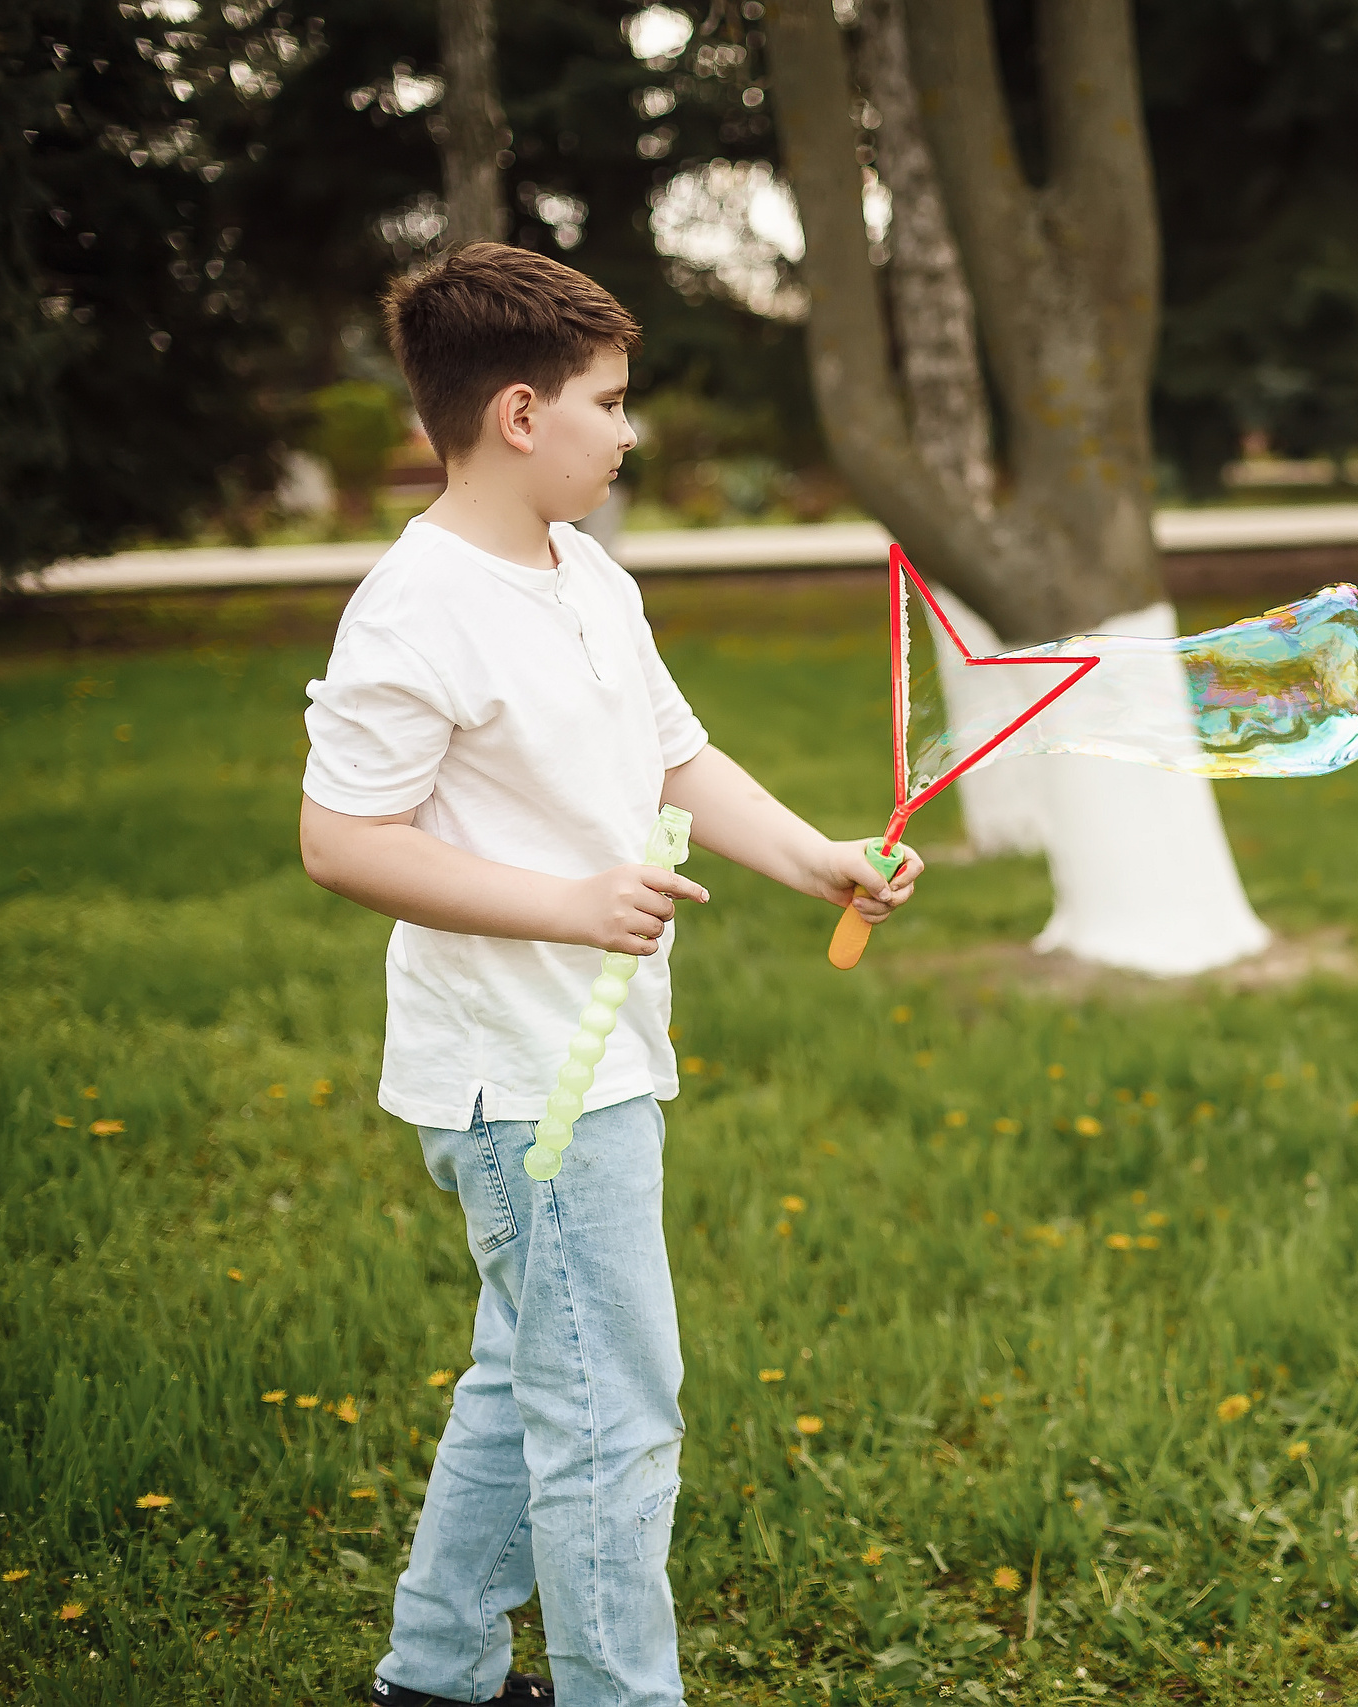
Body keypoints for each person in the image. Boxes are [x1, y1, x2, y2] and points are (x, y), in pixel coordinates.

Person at [298, 242, 921, 1707]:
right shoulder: (416, 608)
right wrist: (569, 905)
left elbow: (673, 754)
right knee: (611, 1418)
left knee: (531, 1371)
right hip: (524, 1079)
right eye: (611, 401)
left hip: (597, 1051)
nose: (629, 431)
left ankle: (433, 1673)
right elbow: (341, 840)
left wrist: (814, 855)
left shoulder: (585, 569)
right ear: (520, 415)